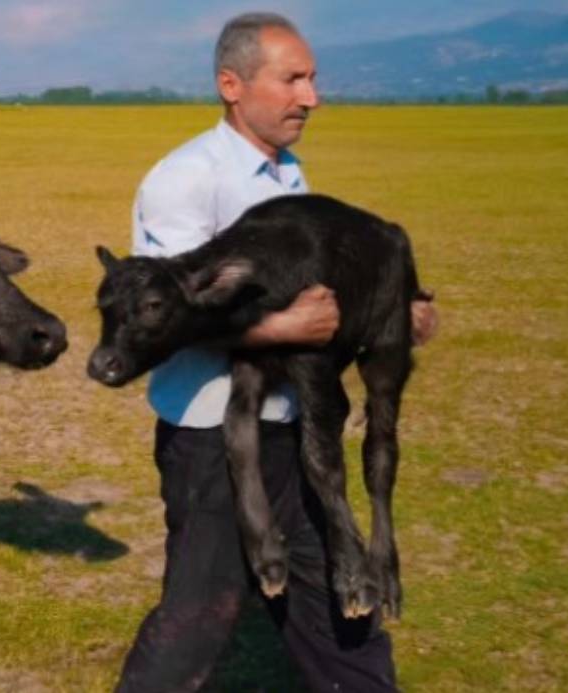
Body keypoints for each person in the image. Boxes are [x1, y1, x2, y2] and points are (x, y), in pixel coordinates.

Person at [115, 12, 437, 693]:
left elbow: (319, 296)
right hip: (211, 438)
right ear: (232, 84)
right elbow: (156, 319)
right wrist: (285, 329)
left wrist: (391, 312)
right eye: (292, 79)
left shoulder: (287, 175)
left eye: (313, 79)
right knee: (198, 620)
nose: (311, 97)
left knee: (335, 605)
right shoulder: (185, 179)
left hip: (296, 427)